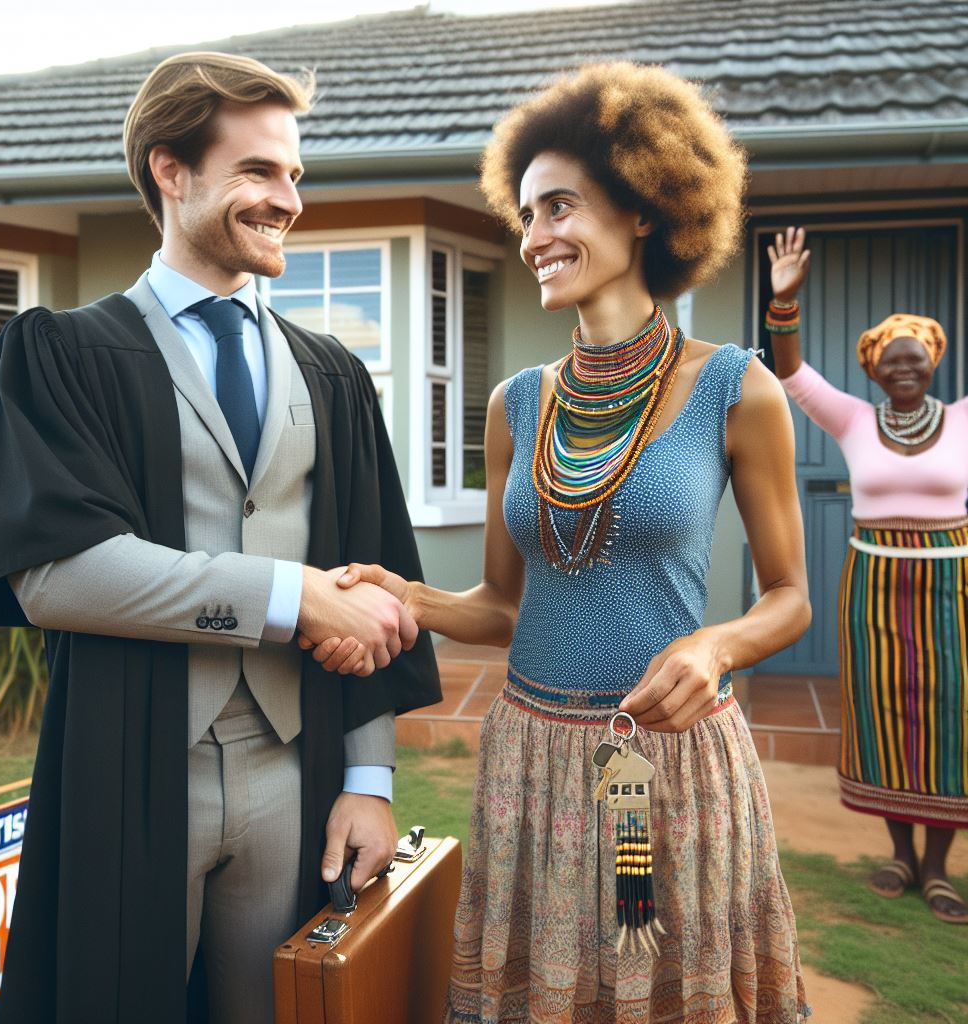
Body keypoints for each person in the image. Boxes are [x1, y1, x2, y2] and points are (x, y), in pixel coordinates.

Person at [305, 62, 813, 1021]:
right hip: (528, 763)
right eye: (527, 214)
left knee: (666, 984)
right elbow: (503, 608)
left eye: (561, 209)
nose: (535, 237)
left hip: (670, 764)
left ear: (646, 212)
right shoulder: (517, 405)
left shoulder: (736, 389)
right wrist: (408, 596)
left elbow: (791, 595)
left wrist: (716, 644)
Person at [0, 51, 441, 1024]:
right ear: (170, 171)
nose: (288, 198)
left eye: (294, 174)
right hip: (132, 767)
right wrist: (287, 592)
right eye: (259, 171)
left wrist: (370, 777)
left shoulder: (333, 374)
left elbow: (377, 580)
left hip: (290, 772)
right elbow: (58, 573)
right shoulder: (62, 355)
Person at [766, 226, 968, 925]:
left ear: (933, 363)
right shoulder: (853, 421)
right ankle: (898, 853)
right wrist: (783, 301)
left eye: (916, 359)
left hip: (951, 590)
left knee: (949, 717)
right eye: (892, 362)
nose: (905, 369)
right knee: (881, 711)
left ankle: (940, 867)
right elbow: (791, 375)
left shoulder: (964, 421)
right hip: (874, 585)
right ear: (875, 371)